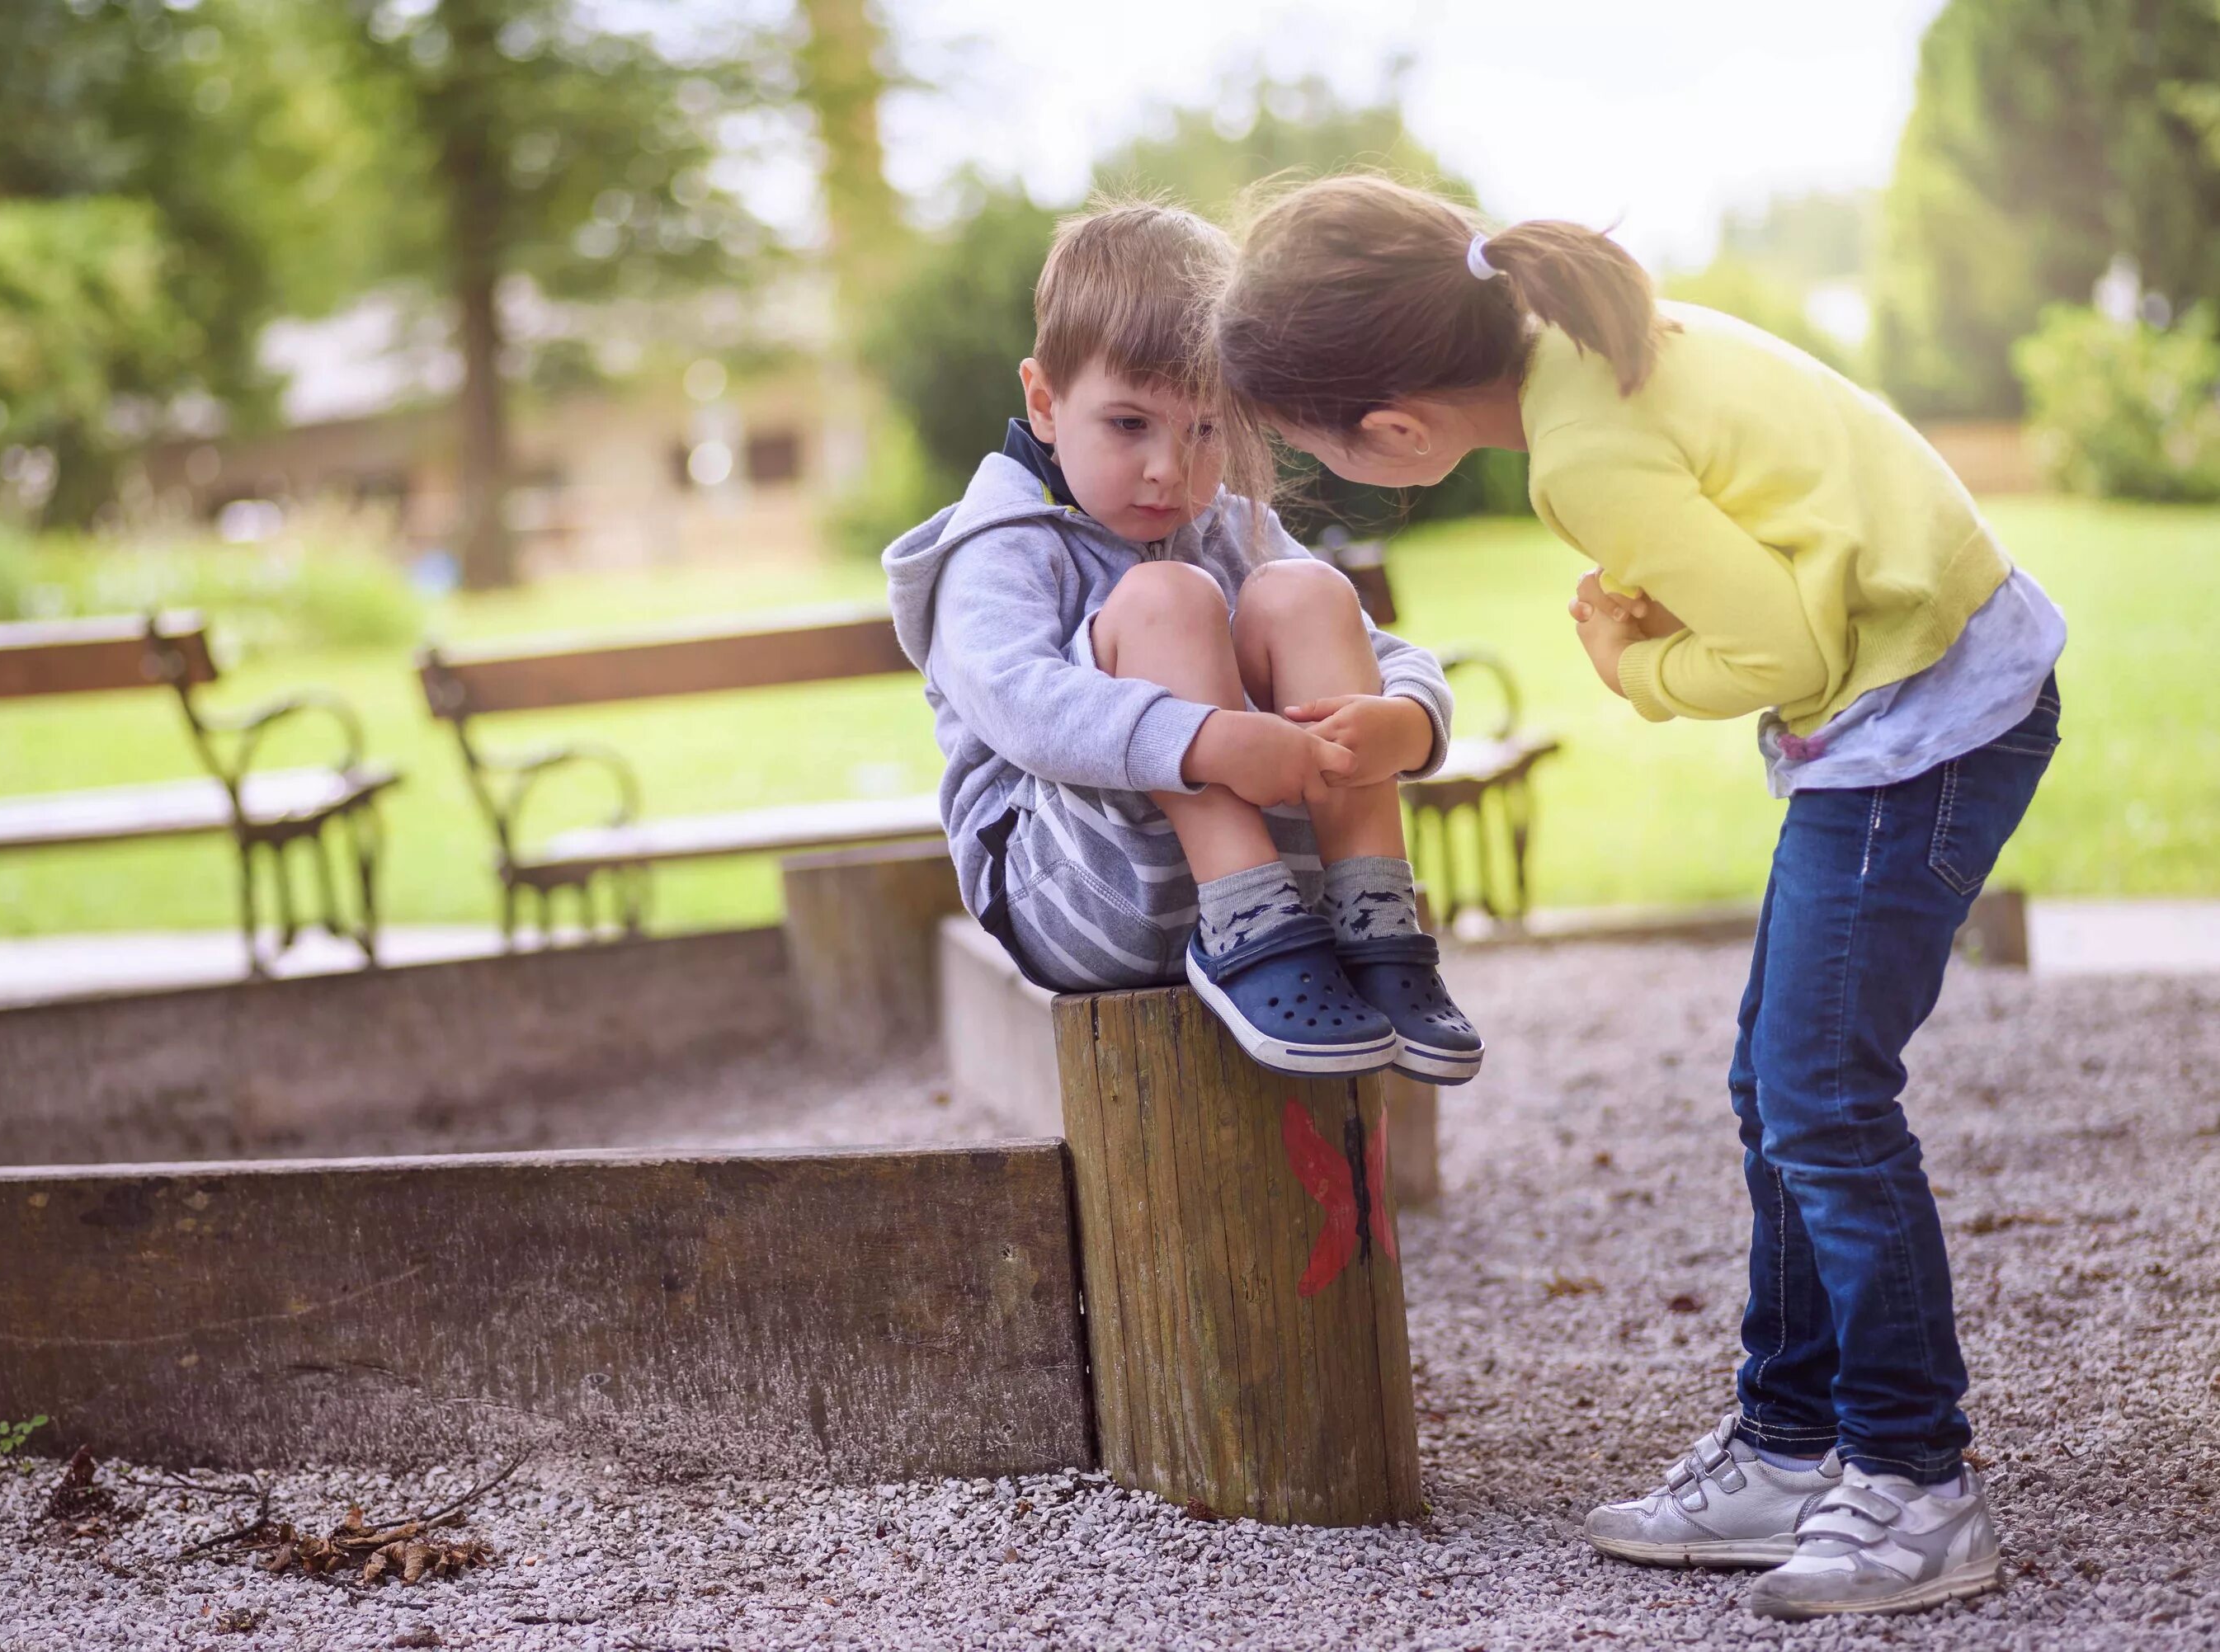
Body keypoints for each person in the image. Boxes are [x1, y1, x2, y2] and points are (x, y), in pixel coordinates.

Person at [1212, 174, 2063, 1621]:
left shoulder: (1579, 453)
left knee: (1822, 1098)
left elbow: (1788, 651)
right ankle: (1793, 1441)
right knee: (1779, 1084)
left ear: (1398, 429)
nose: (1312, 472)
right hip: (1933, 683)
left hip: (1920, 731)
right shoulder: (1595, 335)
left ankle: (1918, 1479)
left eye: (1311, 448)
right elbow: (1787, 528)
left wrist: (1635, 671)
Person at [884, 198, 1482, 1084]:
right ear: (1045, 401)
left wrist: (1409, 719)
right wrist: (1203, 740)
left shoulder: (1233, 523)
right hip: (1080, 892)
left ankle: (1376, 915)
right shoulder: (999, 545)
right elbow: (1018, 703)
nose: (1171, 468)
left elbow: (1373, 645)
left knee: (1306, 590)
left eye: (1206, 429)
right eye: (1130, 425)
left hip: (1295, 905)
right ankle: (1248, 924)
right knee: (1167, 598)